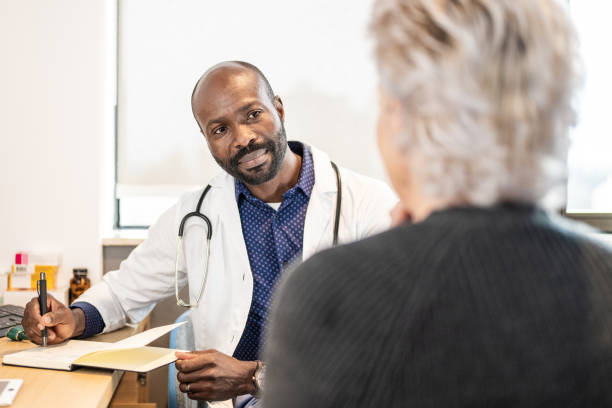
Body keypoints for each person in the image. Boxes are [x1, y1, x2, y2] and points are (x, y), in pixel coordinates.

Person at [263, 1, 612, 407]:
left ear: (404, 117)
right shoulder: (604, 275)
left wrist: (383, 272)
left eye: (382, 103)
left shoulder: (330, 290)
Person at [21, 61, 397, 406]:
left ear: (278, 110)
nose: (242, 138)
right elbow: (123, 294)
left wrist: (253, 376)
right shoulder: (195, 214)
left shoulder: (369, 205)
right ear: (206, 140)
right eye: (220, 129)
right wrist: (73, 318)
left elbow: (393, 343)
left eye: (253, 114)